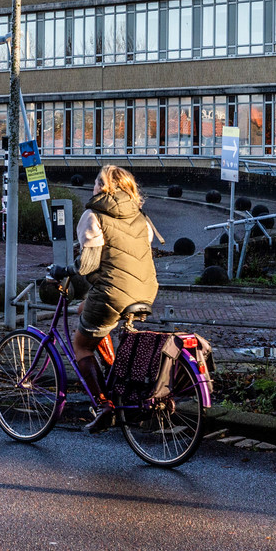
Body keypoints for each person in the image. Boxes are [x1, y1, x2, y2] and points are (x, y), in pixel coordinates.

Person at [71, 165, 159, 430]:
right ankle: (114, 378)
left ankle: (103, 405)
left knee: (82, 345)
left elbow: (87, 265)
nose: (94, 187)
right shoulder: (141, 216)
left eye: (97, 183)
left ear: (103, 187)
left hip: (113, 292)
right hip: (145, 291)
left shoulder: (94, 214)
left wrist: (67, 268)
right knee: (89, 311)